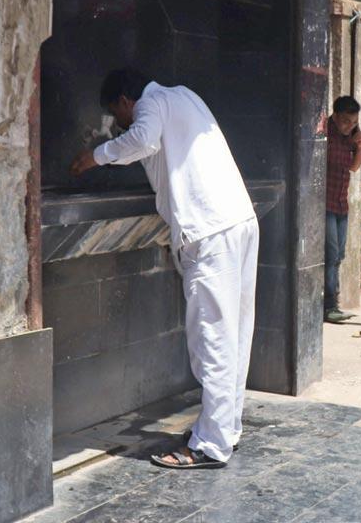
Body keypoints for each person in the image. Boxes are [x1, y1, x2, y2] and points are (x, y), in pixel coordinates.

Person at [71, 70, 258, 470]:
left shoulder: (151, 105)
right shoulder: (183, 96)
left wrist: (96, 156)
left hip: (209, 229)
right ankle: (225, 428)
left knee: (212, 337)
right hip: (238, 220)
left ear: (125, 101)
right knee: (234, 335)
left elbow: (142, 139)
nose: (118, 122)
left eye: (115, 114)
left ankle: (209, 445)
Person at [325, 96, 361, 323]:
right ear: (336, 116)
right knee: (330, 255)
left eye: (354, 122)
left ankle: (334, 303)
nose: (350, 126)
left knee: (339, 255)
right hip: (325, 204)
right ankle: (329, 304)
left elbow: (354, 167)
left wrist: (360, 145)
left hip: (341, 203)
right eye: (346, 121)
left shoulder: (351, 137)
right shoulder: (326, 134)